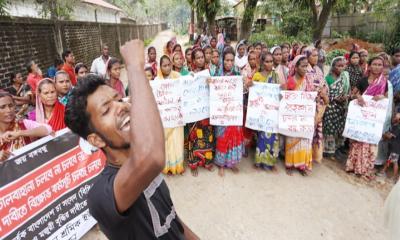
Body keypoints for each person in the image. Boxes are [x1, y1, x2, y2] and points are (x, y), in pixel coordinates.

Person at [64, 40, 198, 239]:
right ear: (96, 140)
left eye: (119, 99)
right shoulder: (101, 195)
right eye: (106, 110)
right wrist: (135, 66)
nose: (122, 107)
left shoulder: (143, 164)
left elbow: (172, 219)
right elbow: (151, 156)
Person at [346, 57, 388, 181]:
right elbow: (353, 94)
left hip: (373, 120)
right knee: (358, 141)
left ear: (383, 67)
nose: (377, 67)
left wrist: (382, 97)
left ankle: (365, 169)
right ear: (369, 66)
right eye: (374, 64)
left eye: (380, 65)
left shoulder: (384, 83)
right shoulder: (363, 80)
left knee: (370, 143)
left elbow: (387, 100)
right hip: (361, 117)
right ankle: (354, 166)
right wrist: (358, 97)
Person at [211, 48, 244, 177]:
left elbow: (244, 91)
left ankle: (231, 162)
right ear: (222, 60)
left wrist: (247, 84)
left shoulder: (237, 74)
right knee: (222, 137)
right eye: (226, 60)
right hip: (221, 113)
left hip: (233, 111)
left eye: (231, 60)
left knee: (233, 137)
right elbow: (212, 92)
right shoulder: (217, 74)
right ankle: (221, 164)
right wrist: (210, 83)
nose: (229, 63)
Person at [247, 52, 280, 171]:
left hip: (272, 112)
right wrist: (249, 85)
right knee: (261, 137)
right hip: (261, 113)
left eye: (271, 61)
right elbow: (252, 94)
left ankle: (270, 162)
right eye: (267, 61)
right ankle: (259, 160)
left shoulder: (276, 76)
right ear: (262, 62)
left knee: (272, 137)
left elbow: (280, 93)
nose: (269, 64)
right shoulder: (257, 76)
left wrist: (281, 89)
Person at [186, 50, 215, 177]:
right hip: (194, 115)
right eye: (197, 58)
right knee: (194, 137)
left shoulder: (209, 73)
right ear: (193, 60)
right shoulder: (189, 75)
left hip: (206, 112)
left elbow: (216, 92)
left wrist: (212, 84)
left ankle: (207, 161)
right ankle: (194, 163)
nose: (200, 60)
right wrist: (189, 80)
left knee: (207, 137)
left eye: (202, 57)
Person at [0, 92, 52, 161]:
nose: (8, 110)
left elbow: (48, 129)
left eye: (10, 105)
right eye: (2, 107)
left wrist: (20, 133)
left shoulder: (22, 123)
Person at [284, 55, 313, 176]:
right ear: (296, 67)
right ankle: (290, 164)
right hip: (292, 116)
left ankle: (302, 165)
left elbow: (312, 97)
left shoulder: (308, 81)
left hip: (304, 116)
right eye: (303, 66)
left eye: (307, 66)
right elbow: (285, 98)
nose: (305, 68)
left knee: (304, 140)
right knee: (291, 138)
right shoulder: (290, 81)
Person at [156, 55, 185, 175]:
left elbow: (185, 89)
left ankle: (178, 166)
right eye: (164, 66)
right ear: (160, 67)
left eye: (169, 65)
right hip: (165, 119)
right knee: (166, 142)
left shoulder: (178, 77)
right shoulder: (157, 82)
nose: (167, 68)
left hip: (176, 118)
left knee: (177, 141)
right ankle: (167, 166)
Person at [304, 47, 329, 164]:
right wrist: (316, 92)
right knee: (306, 132)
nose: (316, 58)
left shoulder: (319, 70)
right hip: (308, 105)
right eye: (313, 55)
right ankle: (304, 156)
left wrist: (324, 94)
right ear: (307, 56)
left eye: (317, 55)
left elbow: (324, 85)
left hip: (319, 106)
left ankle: (313, 156)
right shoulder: (304, 69)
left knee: (316, 133)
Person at [322, 57, 350, 159]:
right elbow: (325, 94)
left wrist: (345, 97)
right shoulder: (328, 79)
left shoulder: (344, 78)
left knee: (339, 129)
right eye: (338, 66)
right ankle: (328, 151)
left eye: (343, 66)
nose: (341, 68)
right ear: (333, 67)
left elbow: (347, 92)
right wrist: (335, 98)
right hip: (330, 108)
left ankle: (337, 149)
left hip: (341, 108)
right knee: (330, 129)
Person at [379, 113, 400, 183]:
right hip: (394, 146)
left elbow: (390, 136)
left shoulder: (398, 127)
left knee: (394, 162)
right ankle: (383, 171)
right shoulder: (396, 126)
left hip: (396, 147)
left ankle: (394, 178)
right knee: (389, 159)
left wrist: (383, 135)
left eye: (395, 118)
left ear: (398, 120)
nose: (394, 118)